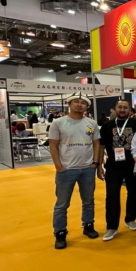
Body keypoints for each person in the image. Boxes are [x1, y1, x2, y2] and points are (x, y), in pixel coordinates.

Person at [48, 95, 100, 249]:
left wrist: (95, 163)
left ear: (87, 107)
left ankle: (88, 225)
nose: (79, 104)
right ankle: (60, 232)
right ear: (69, 104)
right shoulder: (58, 123)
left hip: (87, 169)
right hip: (66, 169)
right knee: (62, 204)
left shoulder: (92, 123)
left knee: (88, 201)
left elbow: (96, 144)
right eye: (76, 102)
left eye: (83, 103)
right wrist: (59, 166)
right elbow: (53, 145)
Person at [98, 99, 136, 241]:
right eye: (120, 107)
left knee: (134, 193)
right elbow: (101, 146)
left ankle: (130, 219)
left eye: (125, 107)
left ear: (129, 110)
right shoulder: (107, 125)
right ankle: (111, 227)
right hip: (113, 166)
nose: (122, 110)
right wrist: (99, 165)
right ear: (115, 109)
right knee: (112, 196)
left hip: (133, 166)